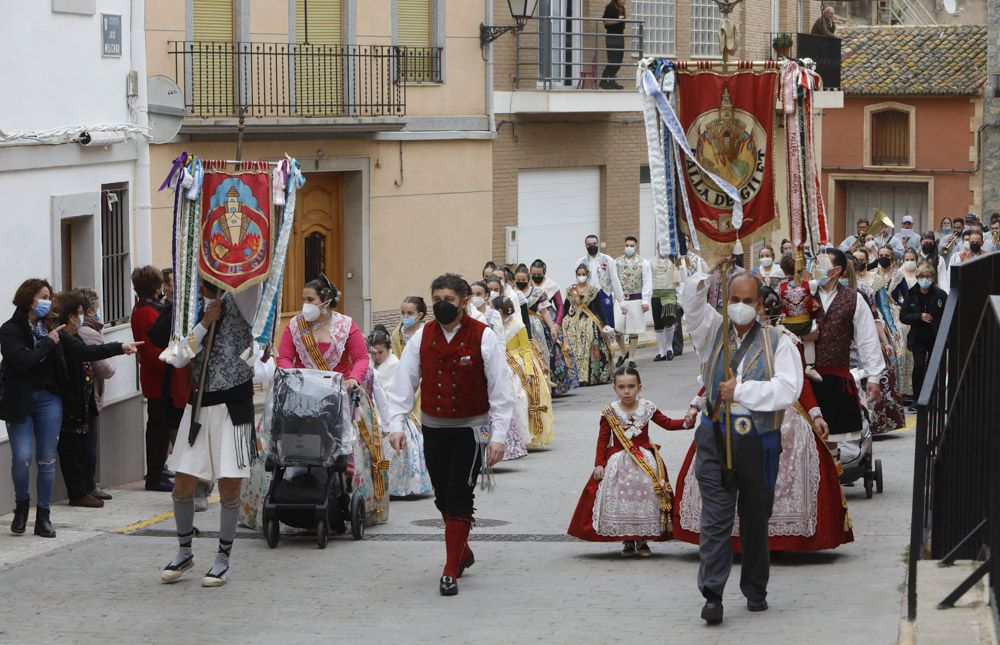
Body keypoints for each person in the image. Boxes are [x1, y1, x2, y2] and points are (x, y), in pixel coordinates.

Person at [680, 268, 803, 624]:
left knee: (754, 518)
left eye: (747, 301)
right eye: (734, 300)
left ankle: (755, 588)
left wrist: (743, 391)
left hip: (758, 441)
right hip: (715, 437)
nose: (739, 307)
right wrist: (709, 265)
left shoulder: (779, 341)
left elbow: (788, 389)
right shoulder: (710, 330)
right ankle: (713, 594)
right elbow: (691, 302)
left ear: (760, 305)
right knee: (716, 519)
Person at [386, 274, 514, 596]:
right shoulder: (421, 337)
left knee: (460, 492)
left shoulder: (483, 337)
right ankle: (462, 549)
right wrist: (396, 424)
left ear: (464, 301)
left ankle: (449, 570)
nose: (443, 304)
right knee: (443, 493)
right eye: (437, 299)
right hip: (434, 426)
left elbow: (501, 391)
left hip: (472, 428)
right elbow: (405, 383)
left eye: (449, 299)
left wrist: (498, 436)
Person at [674, 345, 853, 553]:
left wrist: (815, 414)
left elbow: (798, 381)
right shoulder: (729, 340)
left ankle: (778, 541)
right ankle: (730, 540)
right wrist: (694, 406)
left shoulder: (783, 341)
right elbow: (717, 379)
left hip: (779, 416)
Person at [1, 280, 138, 538]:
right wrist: (47, 344)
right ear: (29, 299)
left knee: (47, 459)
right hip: (19, 402)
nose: (48, 301)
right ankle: (21, 505)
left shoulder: (54, 328)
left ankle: (43, 515)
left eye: (50, 296)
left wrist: (120, 347)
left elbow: (83, 350)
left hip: (49, 400)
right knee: (21, 458)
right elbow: (20, 361)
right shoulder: (10, 331)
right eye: (43, 296)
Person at [161, 279, 261, 587]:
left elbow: (250, 278)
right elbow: (178, 357)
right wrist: (204, 322)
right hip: (200, 406)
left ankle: (222, 559)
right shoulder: (189, 309)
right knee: (183, 482)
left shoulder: (243, 298)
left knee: (230, 487)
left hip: (235, 406)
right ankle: (184, 551)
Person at [567, 363, 687, 554]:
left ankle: (643, 539)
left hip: (645, 462)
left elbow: (667, 423)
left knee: (646, 499)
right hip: (618, 462)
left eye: (631, 386)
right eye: (622, 387)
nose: (627, 391)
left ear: (639, 387)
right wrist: (599, 464)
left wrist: (686, 423)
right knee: (623, 500)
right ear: (614, 389)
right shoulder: (610, 412)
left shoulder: (647, 408)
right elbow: (603, 439)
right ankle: (628, 540)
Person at [808, 250, 886, 441]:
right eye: (815, 264)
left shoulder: (854, 298)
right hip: (805, 380)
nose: (815, 268)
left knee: (833, 440)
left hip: (837, 380)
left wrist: (874, 376)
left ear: (835, 270)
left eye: (821, 264)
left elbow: (867, 338)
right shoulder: (803, 295)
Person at [370, 326, 432, 497]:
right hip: (375, 412)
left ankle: (401, 486)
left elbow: (397, 391)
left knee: (400, 449)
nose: (375, 356)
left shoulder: (395, 364)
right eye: (372, 353)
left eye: (379, 352)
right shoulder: (371, 365)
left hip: (393, 413)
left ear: (389, 349)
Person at [130, 265, 174, 492]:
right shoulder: (147, 312)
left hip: (158, 374)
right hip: (158, 376)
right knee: (158, 427)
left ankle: (159, 468)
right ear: (155, 286)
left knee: (161, 426)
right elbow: (152, 349)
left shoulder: (147, 307)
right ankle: (155, 475)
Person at [72, 287, 115, 502]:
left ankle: (86, 486)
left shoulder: (78, 332)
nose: (99, 313)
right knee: (88, 445)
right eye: (97, 308)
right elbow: (104, 369)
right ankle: (88, 486)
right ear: (88, 312)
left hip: (79, 396)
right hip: (88, 396)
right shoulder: (89, 334)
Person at [515, 264, 578, 395]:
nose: (521, 282)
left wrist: (553, 327)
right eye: (518, 280)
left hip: (536, 328)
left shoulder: (538, 293)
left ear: (528, 279)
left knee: (541, 357)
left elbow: (545, 311)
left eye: (523, 280)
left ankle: (543, 390)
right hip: (518, 327)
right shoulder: (511, 292)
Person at [496, 295, 542, 457]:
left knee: (519, 399)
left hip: (515, 366)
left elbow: (525, 349)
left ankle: (522, 437)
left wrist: (528, 370)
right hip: (498, 364)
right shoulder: (492, 325)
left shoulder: (517, 325)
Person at [899, 264, 947, 402]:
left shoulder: (941, 295)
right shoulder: (911, 293)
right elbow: (903, 316)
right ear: (917, 278)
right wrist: (918, 316)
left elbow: (948, 315)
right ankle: (917, 398)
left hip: (935, 337)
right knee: (919, 366)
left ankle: (933, 398)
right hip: (918, 337)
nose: (925, 279)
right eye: (922, 277)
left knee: (934, 368)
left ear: (932, 278)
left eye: (928, 276)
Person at [562, 264, 614, 385]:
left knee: (593, 343)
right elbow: (565, 308)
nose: (581, 276)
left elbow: (600, 307)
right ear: (576, 275)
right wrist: (559, 323)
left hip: (590, 321)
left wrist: (605, 323)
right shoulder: (571, 290)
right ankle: (577, 377)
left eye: (583, 274)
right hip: (574, 322)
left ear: (587, 275)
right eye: (579, 274)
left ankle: (592, 376)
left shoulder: (592, 290)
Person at [613, 236, 652, 365]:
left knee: (633, 330)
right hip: (621, 299)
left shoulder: (643, 262)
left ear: (636, 246)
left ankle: (632, 358)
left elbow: (647, 282)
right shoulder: (617, 262)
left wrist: (645, 300)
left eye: (632, 245)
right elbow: (614, 281)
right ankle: (623, 352)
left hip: (636, 298)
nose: (629, 248)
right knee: (617, 328)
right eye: (627, 245)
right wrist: (615, 297)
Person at [576, 234, 625, 331]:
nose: (592, 246)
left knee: (607, 326)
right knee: (590, 326)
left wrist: (621, 300)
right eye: (589, 244)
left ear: (598, 244)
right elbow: (578, 281)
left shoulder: (608, 260)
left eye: (594, 243)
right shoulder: (580, 262)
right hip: (587, 296)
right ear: (585, 245)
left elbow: (614, 279)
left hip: (604, 294)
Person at [650, 249, 684, 362]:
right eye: (661, 247)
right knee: (658, 324)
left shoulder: (674, 261)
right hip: (655, 295)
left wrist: (679, 299)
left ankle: (669, 348)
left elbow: (679, 282)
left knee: (668, 322)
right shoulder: (651, 262)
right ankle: (661, 352)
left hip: (669, 295)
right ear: (657, 248)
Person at [600, 0, 627, 89]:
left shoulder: (622, 8)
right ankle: (603, 81)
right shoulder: (611, 7)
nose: (624, 1)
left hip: (620, 35)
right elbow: (605, 21)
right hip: (612, 36)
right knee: (613, 60)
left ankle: (612, 80)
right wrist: (618, 20)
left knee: (619, 60)